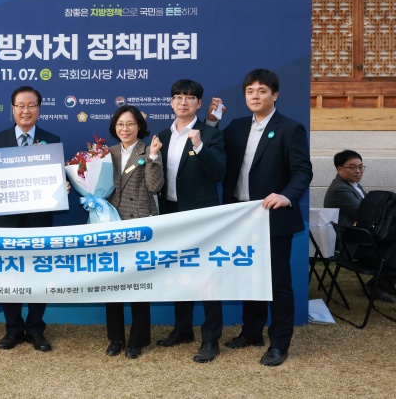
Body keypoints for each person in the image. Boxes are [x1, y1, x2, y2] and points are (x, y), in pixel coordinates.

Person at [221, 68, 312, 367]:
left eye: (262, 91)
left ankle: (279, 343)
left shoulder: (290, 128)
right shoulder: (236, 127)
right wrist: (210, 122)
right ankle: (251, 332)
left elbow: (303, 171)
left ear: (275, 95)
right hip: (241, 217)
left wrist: (287, 196)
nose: (255, 96)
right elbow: (214, 152)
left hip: (273, 219)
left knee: (277, 283)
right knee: (249, 277)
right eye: (250, 91)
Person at [155, 80, 226, 363]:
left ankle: (210, 339)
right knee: (179, 273)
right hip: (171, 213)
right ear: (171, 102)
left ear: (198, 103)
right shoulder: (163, 135)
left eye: (189, 98)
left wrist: (199, 145)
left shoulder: (210, 134)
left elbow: (218, 173)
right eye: (178, 97)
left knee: (207, 277)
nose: (183, 102)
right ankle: (182, 329)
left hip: (201, 216)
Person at [0, 86, 60, 352]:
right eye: (20, 105)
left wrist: (61, 187)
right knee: (10, 276)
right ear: (12, 109)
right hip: (6, 222)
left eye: (31, 105)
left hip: (39, 221)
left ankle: (36, 329)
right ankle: (13, 329)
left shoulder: (52, 140)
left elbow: (55, 180)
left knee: (38, 275)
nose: (25, 110)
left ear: (39, 109)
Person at [103, 105, 164, 359]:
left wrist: (153, 158)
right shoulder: (106, 153)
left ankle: (137, 340)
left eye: (130, 124)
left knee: (138, 285)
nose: (125, 129)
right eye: (120, 124)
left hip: (139, 226)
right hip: (111, 225)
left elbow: (155, 186)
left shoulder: (149, 151)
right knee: (112, 285)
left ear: (139, 126)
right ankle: (115, 338)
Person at [324, 150, 396, 302]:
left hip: (362, 237)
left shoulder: (353, 185)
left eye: (360, 166)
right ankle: (378, 286)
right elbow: (367, 214)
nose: (358, 171)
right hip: (351, 245)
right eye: (352, 167)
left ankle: (384, 283)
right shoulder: (340, 189)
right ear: (339, 169)